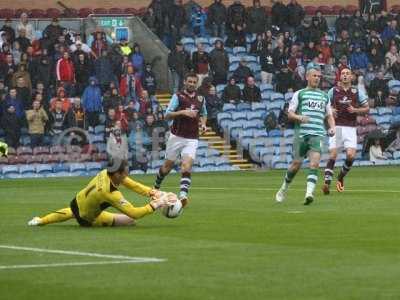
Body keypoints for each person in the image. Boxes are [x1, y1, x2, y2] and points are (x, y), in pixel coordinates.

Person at [28, 158, 177, 227]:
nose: (126, 175)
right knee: (130, 221)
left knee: (72, 211)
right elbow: (134, 213)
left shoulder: (106, 172)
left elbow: (132, 185)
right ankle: (43, 221)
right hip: (87, 218)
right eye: (125, 173)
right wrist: (156, 204)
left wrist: (153, 192)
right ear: (117, 174)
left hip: (76, 202)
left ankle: (41, 220)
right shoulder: (110, 193)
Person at [275, 65, 335, 205]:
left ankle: (309, 194)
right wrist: (299, 117)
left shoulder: (324, 96)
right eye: (314, 76)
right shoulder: (299, 94)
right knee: (296, 165)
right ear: (307, 77)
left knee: (314, 164)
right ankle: (283, 188)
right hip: (301, 134)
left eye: (319, 77)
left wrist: (332, 127)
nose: (317, 79)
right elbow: (289, 114)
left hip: (317, 134)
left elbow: (329, 116)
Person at [153, 73, 207, 207]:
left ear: (197, 84)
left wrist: (204, 124)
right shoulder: (178, 96)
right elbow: (167, 115)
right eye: (190, 81)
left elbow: (204, 113)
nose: (192, 84)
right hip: (176, 136)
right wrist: (182, 112)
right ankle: (155, 188)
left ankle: (183, 196)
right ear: (185, 82)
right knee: (167, 167)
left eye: (194, 82)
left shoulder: (201, 98)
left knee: (187, 165)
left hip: (192, 138)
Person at [322, 68, 369, 194]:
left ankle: (341, 176)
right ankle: (326, 182)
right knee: (333, 154)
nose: (345, 75)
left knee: (351, 156)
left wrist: (355, 110)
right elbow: (325, 106)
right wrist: (331, 110)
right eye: (343, 73)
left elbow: (366, 108)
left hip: (351, 128)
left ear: (351, 77)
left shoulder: (356, 91)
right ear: (340, 76)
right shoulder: (333, 91)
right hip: (337, 127)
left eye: (347, 73)